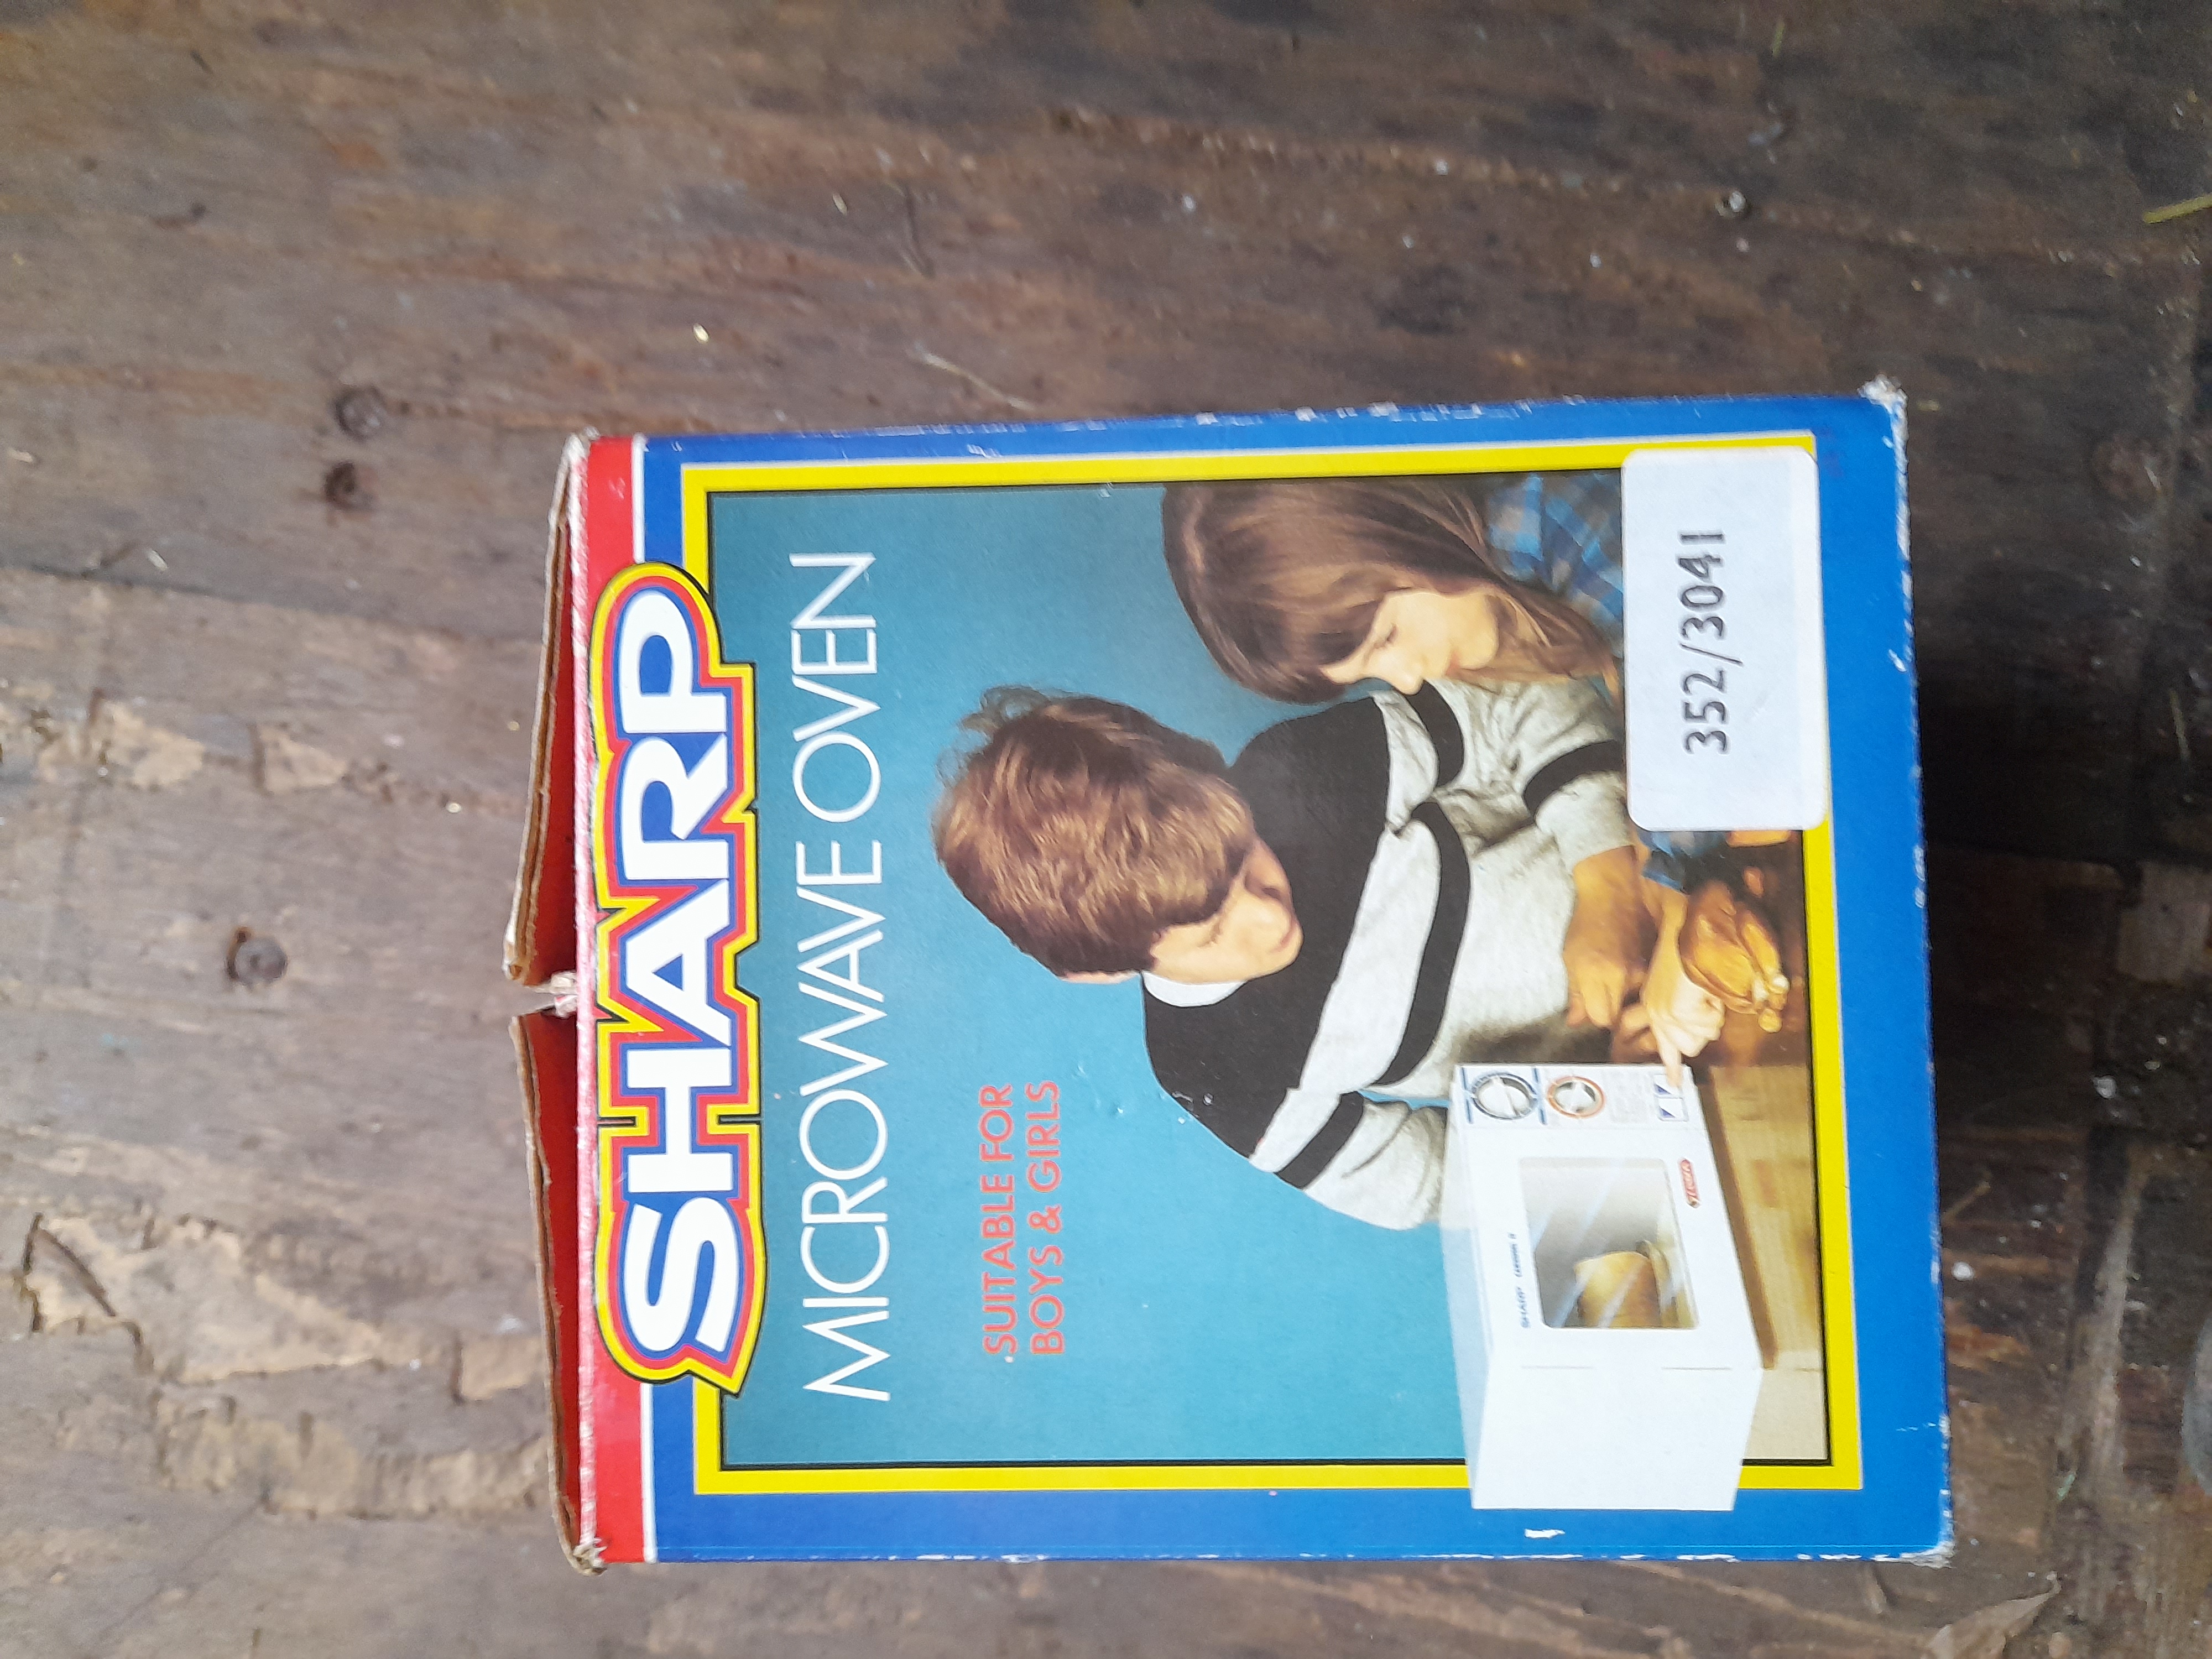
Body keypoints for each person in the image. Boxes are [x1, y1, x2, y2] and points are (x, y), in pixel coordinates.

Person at [932, 676, 1636, 1229]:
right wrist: (1608, 1118)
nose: (1268, 916)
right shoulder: (1207, 1064)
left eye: (1248, 858)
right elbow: (1421, 1182)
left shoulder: (1302, 767)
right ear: (1100, 971)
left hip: (1666, 873)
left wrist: (1608, 885)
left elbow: (1524, 699)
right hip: (1648, 1078)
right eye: (1211, 933)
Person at [1160, 476, 1787, 1072]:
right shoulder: (1510, 584)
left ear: (1396, 526)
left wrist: (1683, 919)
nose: (1410, 679)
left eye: (1388, 637)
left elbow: (1704, 705)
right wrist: (1675, 910)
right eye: (1372, 674)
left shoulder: (1561, 519)